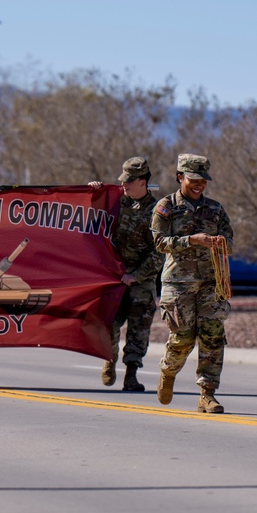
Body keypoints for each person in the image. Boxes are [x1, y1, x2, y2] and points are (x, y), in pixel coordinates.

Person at [151, 154, 233, 413]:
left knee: (212, 336)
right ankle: (168, 370)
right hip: (179, 282)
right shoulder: (166, 207)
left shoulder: (216, 209)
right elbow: (159, 242)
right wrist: (191, 240)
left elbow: (230, 241)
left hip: (211, 282)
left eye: (203, 180)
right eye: (193, 179)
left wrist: (220, 243)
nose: (199, 185)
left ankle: (207, 394)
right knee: (183, 338)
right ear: (180, 178)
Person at [91, 157, 164, 391]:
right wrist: (91, 192)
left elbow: (160, 250)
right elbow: (89, 217)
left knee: (138, 329)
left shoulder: (157, 212)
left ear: (143, 182)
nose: (125, 185)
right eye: (123, 180)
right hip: (115, 276)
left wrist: (137, 275)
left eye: (130, 181)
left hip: (141, 279)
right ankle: (109, 360)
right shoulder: (116, 202)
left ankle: (131, 375)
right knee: (109, 323)